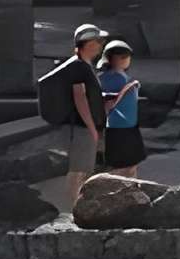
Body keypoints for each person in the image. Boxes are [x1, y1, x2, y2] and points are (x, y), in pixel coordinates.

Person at [37, 23, 108, 207]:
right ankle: (72, 206)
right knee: (79, 169)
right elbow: (80, 98)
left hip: (83, 126)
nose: (101, 45)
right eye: (98, 41)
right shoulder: (79, 67)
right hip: (81, 126)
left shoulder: (84, 65)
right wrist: (92, 128)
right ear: (88, 43)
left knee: (83, 169)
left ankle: (75, 204)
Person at [97, 41, 145, 178]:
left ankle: (131, 192)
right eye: (121, 56)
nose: (125, 59)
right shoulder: (108, 79)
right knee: (123, 167)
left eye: (126, 56)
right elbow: (106, 102)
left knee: (132, 165)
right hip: (118, 128)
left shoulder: (124, 78)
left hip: (129, 126)